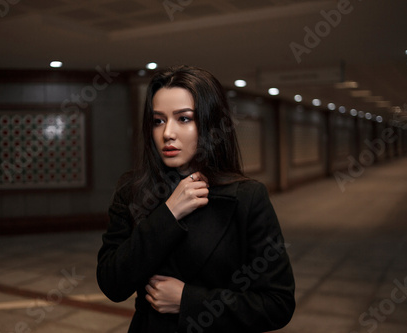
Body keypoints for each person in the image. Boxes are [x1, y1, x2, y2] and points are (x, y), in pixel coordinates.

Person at [97, 65, 295, 333]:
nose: (167, 133)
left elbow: (277, 304)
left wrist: (187, 300)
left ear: (209, 122)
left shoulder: (247, 197)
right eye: (158, 120)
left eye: (184, 118)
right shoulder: (132, 189)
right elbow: (112, 282)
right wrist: (168, 214)